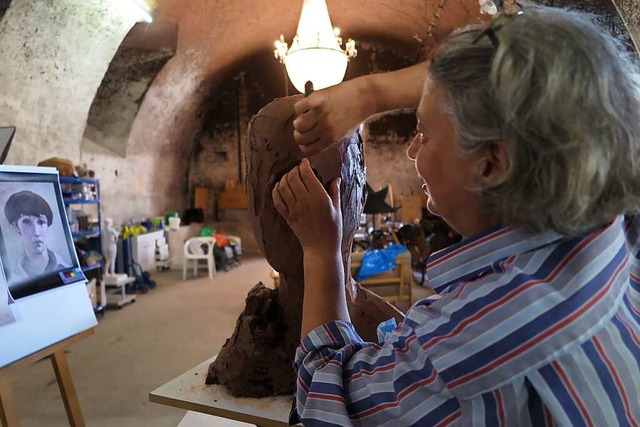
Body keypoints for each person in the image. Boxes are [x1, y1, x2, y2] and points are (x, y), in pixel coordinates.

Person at [273, 6, 640, 425]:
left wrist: (323, 253)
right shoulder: (618, 232)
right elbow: (539, 64)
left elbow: (324, 402)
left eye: (424, 133)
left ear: (491, 161)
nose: (413, 150)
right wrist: (369, 94)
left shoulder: (472, 338)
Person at [4, 190, 70, 281]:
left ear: (47, 225)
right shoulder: (13, 280)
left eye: (41, 222)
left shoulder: (66, 268)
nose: (36, 232)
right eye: (27, 222)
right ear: (16, 226)